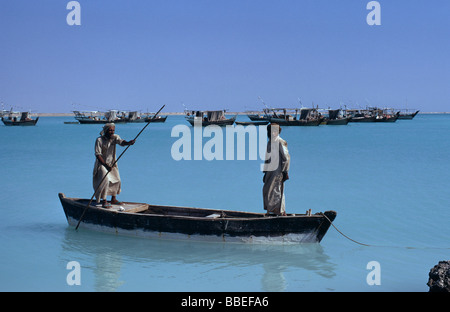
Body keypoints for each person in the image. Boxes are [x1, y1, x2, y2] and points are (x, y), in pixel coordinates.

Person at [93, 123, 135, 208]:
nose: (112, 132)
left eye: (113, 130)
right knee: (105, 180)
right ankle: (104, 200)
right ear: (106, 131)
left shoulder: (115, 137)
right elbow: (98, 155)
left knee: (117, 179)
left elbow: (121, 142)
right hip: (102, 164)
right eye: (110, 130)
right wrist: (105, 165)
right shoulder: (99, 140)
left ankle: (113, 199)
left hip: (112, 163)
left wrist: (128, 143)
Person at [262, 123, 290, 216]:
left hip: (278, 170)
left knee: (277, 190)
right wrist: (265, 172)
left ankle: (280, 212)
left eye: (275, 131)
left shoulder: (280, 142)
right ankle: (271, 211)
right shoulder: (270, 142)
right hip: (270, 170)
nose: (273, 133)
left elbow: (286, 158)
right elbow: (267, 158)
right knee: (267, 190)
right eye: (272, 131)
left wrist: (285, 172)